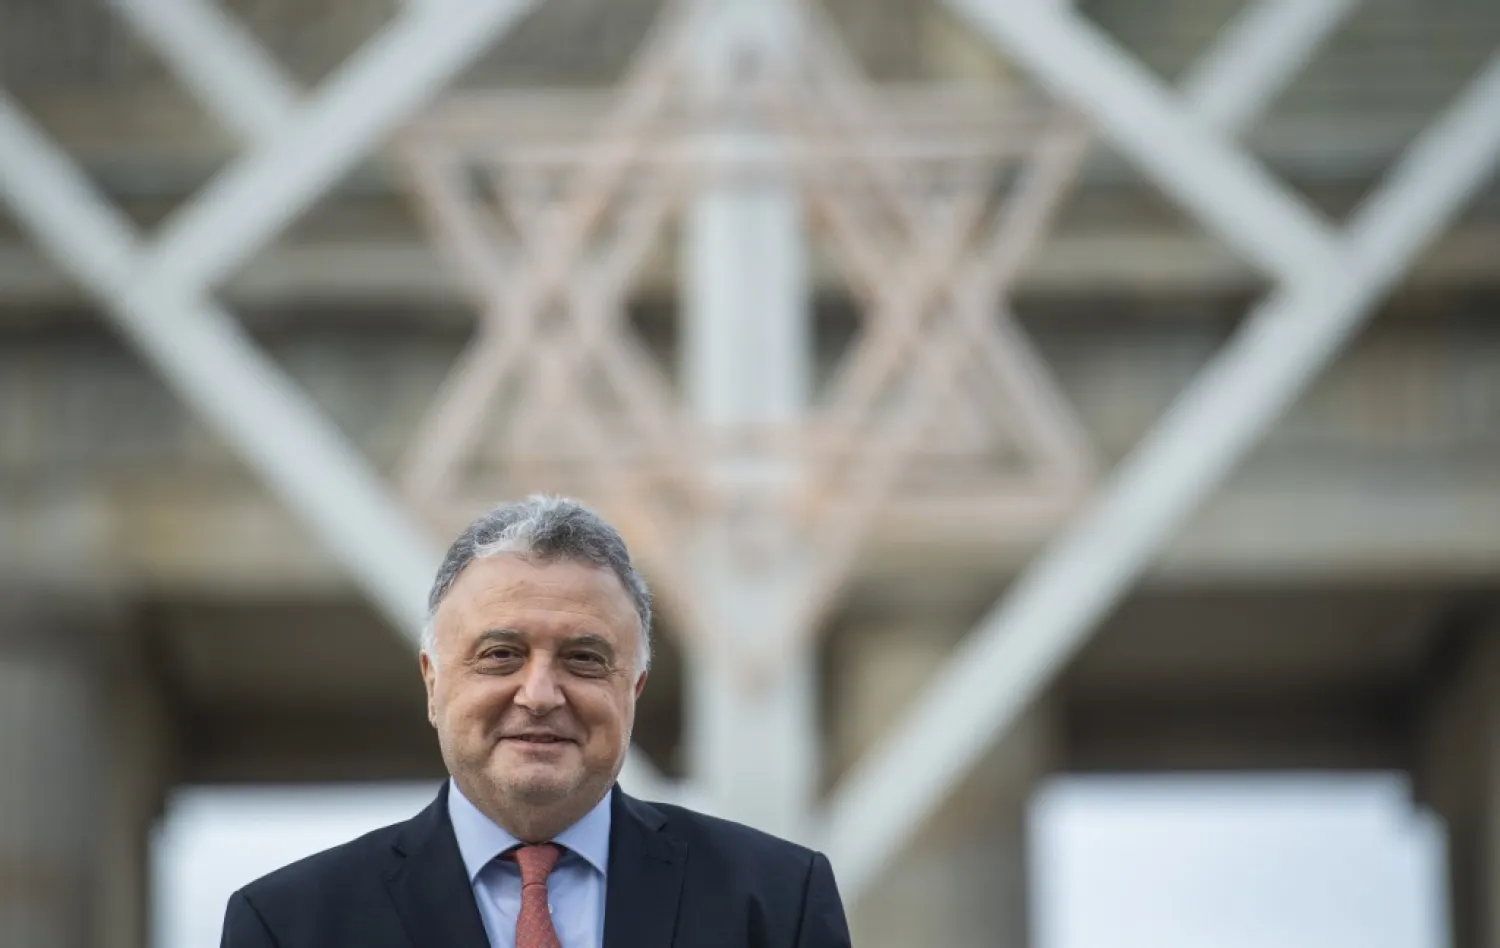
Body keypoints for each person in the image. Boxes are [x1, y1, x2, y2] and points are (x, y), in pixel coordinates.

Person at [219, 496, 852, 948]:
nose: (541, 693)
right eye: (501, 655)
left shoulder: (776, 903)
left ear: (633, 690)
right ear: (433, 684)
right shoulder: (290, 925)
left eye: (584, 658)